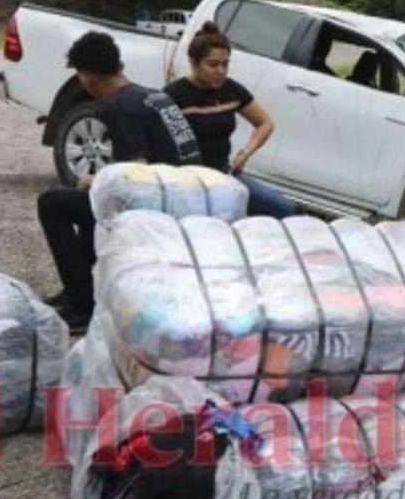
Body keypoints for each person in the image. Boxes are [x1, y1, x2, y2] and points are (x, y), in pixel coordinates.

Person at [38, 31, 200, 331]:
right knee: (92, 203)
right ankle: (82, 289)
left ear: (86, 77)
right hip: (189, 190)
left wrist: (95, 180)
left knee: (52, 203)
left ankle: (81, 307)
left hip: (163, 205)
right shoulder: (153, 95)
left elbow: (136, 175)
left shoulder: (120, 106)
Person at [164, 21, 296, 219]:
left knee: (283, 208)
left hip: (225, 175)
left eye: (225, 64)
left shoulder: (231, 90)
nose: (221, 71)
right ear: (193, 63)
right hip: (188, 181)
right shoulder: (174, 96)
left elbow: (265, 123)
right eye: (213, 64)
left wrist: (245, 153)